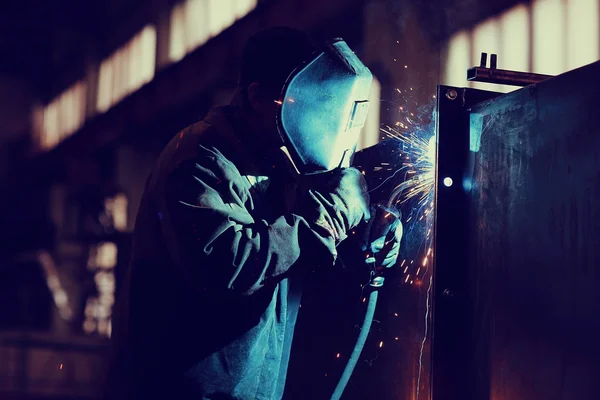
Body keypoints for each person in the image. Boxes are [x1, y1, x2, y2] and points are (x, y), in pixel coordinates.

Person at [105, 27, 402, 400]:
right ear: (260, 97)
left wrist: (365, 238)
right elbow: (227, 265)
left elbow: (298, 255)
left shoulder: (281, 166)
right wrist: (332, 217)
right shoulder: (198, 159)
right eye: (304, 106)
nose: (315, 123)